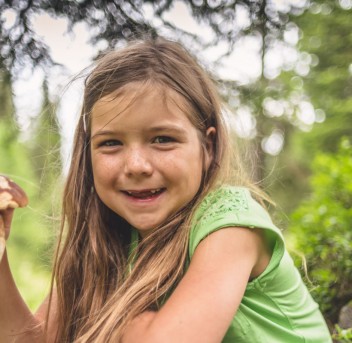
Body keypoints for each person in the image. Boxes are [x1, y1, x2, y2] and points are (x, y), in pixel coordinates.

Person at [0, 37, 332, 343]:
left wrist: (100, 312)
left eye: (162, 139)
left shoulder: (231, 224)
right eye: (111, 143)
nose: (136, 165)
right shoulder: (107, 240)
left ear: (208, 146)